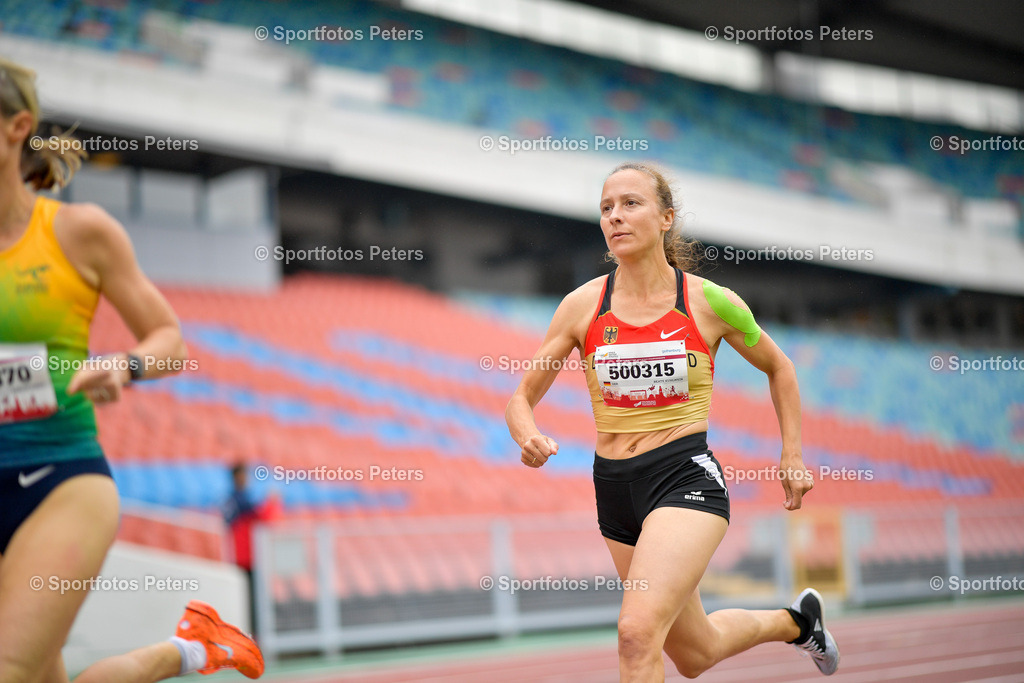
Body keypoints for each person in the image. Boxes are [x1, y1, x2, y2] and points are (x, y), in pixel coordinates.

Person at [505, 162, 839, 680]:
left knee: (635, 635)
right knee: (695, 654)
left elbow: (780, 368)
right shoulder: (581, 307)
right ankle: (798, 624)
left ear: (666, 218)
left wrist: (791, 455)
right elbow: (520, 399)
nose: (615, 216)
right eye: (606, 208)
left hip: (684, 479)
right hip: (614, 488)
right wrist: (528, 435)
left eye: (630, 203)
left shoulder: (710, 302)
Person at [0, 58, 263, 681]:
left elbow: (170, 341)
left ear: (18, 127)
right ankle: (190, 648)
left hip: (60, 481)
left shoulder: (78, 232)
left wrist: (125, 365)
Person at [223, 463, 281, 639]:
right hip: (246, 557)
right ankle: (251, 636)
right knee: (250, 599)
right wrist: (272, 502)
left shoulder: (236, 500)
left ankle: (252, 635)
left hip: (247, 556)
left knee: (251, 599)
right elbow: (262, 516)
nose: (245, 479)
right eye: (243, 475)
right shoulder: (240, 500)